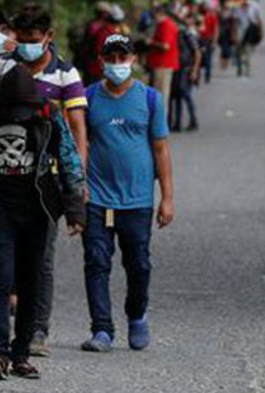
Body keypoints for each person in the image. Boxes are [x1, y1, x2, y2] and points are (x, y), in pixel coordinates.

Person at [0, 67, 86, 381]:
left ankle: (22, 353)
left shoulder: (48, 114)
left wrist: (75, 210)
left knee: (31, 281)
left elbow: (69, 159)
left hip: (37, 209)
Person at [80, 34, 175, 353]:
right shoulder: (88, 97)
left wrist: (167, 197)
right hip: (96, 196)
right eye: (111, 58)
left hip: (137, 199)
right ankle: (102, 329)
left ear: (133, 60)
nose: (117, 64)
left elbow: (161, 149)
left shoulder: (149, 99)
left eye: (123, 58)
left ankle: (137, 314)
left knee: (139, 264)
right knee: (96, 262)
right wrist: (76, 188)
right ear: (101, 61)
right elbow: (79, 143)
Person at [9, 3, 90, 356]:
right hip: (9, 173)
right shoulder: (7, 68)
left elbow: (77, 131)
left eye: (33, 39)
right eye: (22, 38)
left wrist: (77, 183)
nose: (27, 45)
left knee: (41, 257)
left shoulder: (65, 75)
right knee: (4, 251)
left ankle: (38, 329)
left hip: (49, 182)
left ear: (48, 37)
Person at [169, 15, 201, 132]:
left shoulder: (186, 34)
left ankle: (193, 120)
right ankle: (176, 123)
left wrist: (194, 70)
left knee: (185, 95)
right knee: (176, 96)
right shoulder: (175, 34)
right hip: (176, 67)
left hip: (186, 68)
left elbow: (197, 52)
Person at [146, 2, 179, 102]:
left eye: (154, 15)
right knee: (158, 94)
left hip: (163, 65)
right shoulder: (162, 25)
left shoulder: (166, 25)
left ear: (160, 14)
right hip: (160, 64)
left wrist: (151, 42)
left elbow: (165, 46)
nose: (154, 17)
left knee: (160, 95)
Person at [236, 0, 264, 78]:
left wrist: (261, 32)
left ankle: (246, 69)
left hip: (249, 30)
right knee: (240, 50)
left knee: (246, 50)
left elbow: (259, 19)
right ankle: (241, 66)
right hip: (242, 30)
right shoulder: (239, 5)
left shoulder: (254, 6)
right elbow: (236, 19)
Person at [198, 0, 220, 85]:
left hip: (208, 40)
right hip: (199, 39)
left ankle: (207, 76)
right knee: (199, 59)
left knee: (208, 59)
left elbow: (216, 29)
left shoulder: (211, 16)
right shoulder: (198, 16)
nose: (204, 8)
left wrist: (214, 41)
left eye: (205, 6)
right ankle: (197, 76)